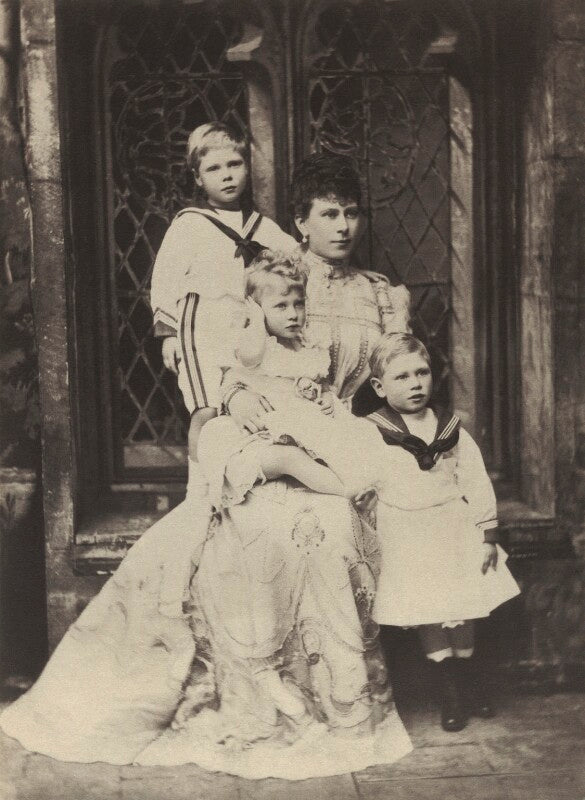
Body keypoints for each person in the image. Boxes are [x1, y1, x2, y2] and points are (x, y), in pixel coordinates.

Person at [0, 153, 413, 779]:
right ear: (300, 223)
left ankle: (339, 705)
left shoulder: (383, 294)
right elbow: (226, 361)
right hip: (262, 422)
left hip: (343, 434)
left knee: (332, 532)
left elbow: (399, 380)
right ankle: (259, 699)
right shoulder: (270, 275)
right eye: (330, 214)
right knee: (248, 539)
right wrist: (237, 397)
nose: (344, 227)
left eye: (353, 213)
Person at [364, 333, 521, 732]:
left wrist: (487, 534)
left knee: (463, 607)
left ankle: (471, 684)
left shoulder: (450, 429)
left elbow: (476, 480)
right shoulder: (372, 434)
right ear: (380, 387)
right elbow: (360, 482)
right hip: (407, 535)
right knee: (431, 613)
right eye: (401, 377)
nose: (415, 383)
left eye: (422, 372)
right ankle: (448, 692)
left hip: (452, 529)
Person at [149, 121, 296, 502]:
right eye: (214, 169)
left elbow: (297, 261)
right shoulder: (189, 225)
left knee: (241, 405)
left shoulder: (263, 227)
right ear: (198, 178)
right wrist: (168, 335)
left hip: (244, 333)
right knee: (206, 406)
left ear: (248, 168)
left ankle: (235, 487)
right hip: (201, 334)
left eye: (234, 164)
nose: (227, 175)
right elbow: (165, 279)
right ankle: (199, 490)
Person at [198, 250, 384, 509]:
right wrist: (256, 321)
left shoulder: (309, 344)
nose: (293, 314)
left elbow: (322, 383)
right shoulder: (259, 344)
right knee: (290, 459)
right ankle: (346, 491)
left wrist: (327, 397)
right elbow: (249, 358)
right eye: (280, 306)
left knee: (356, 436)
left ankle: (366, 482)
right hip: (263, 433)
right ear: (257, 309)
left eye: (299, 304)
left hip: (304, 424)